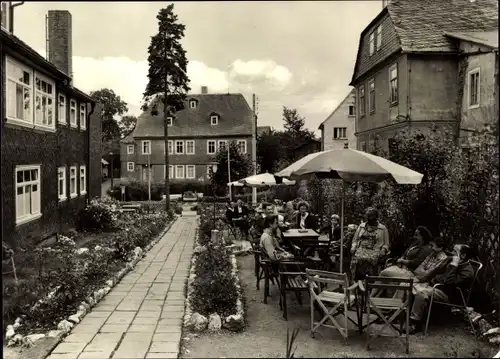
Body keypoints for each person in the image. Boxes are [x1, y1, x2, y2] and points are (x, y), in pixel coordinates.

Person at [409, 244, 475, 333]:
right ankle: (395, 312)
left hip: (448, 295)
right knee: (407, 284)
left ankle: (415, 323)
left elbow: (449, 283)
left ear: (463, 256)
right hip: (437, 287)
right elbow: (437, 272)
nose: (451, 253)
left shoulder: (467, 271)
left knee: (422, 293)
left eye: (455, 252)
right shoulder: (451, 261)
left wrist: (454, 265)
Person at [350, 207, 390, 281]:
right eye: (367, 216)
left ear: (376, 217)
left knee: (372, 261)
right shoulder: (361, 226)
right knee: (357, 260)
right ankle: (357, 282)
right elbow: (355, 240)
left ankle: (371, 282)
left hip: (375, 251)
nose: (368, 218)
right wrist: (353, 247)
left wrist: (383, 250)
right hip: (361, 250)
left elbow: (386, 244)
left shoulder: (382, 228)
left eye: (370, 216)